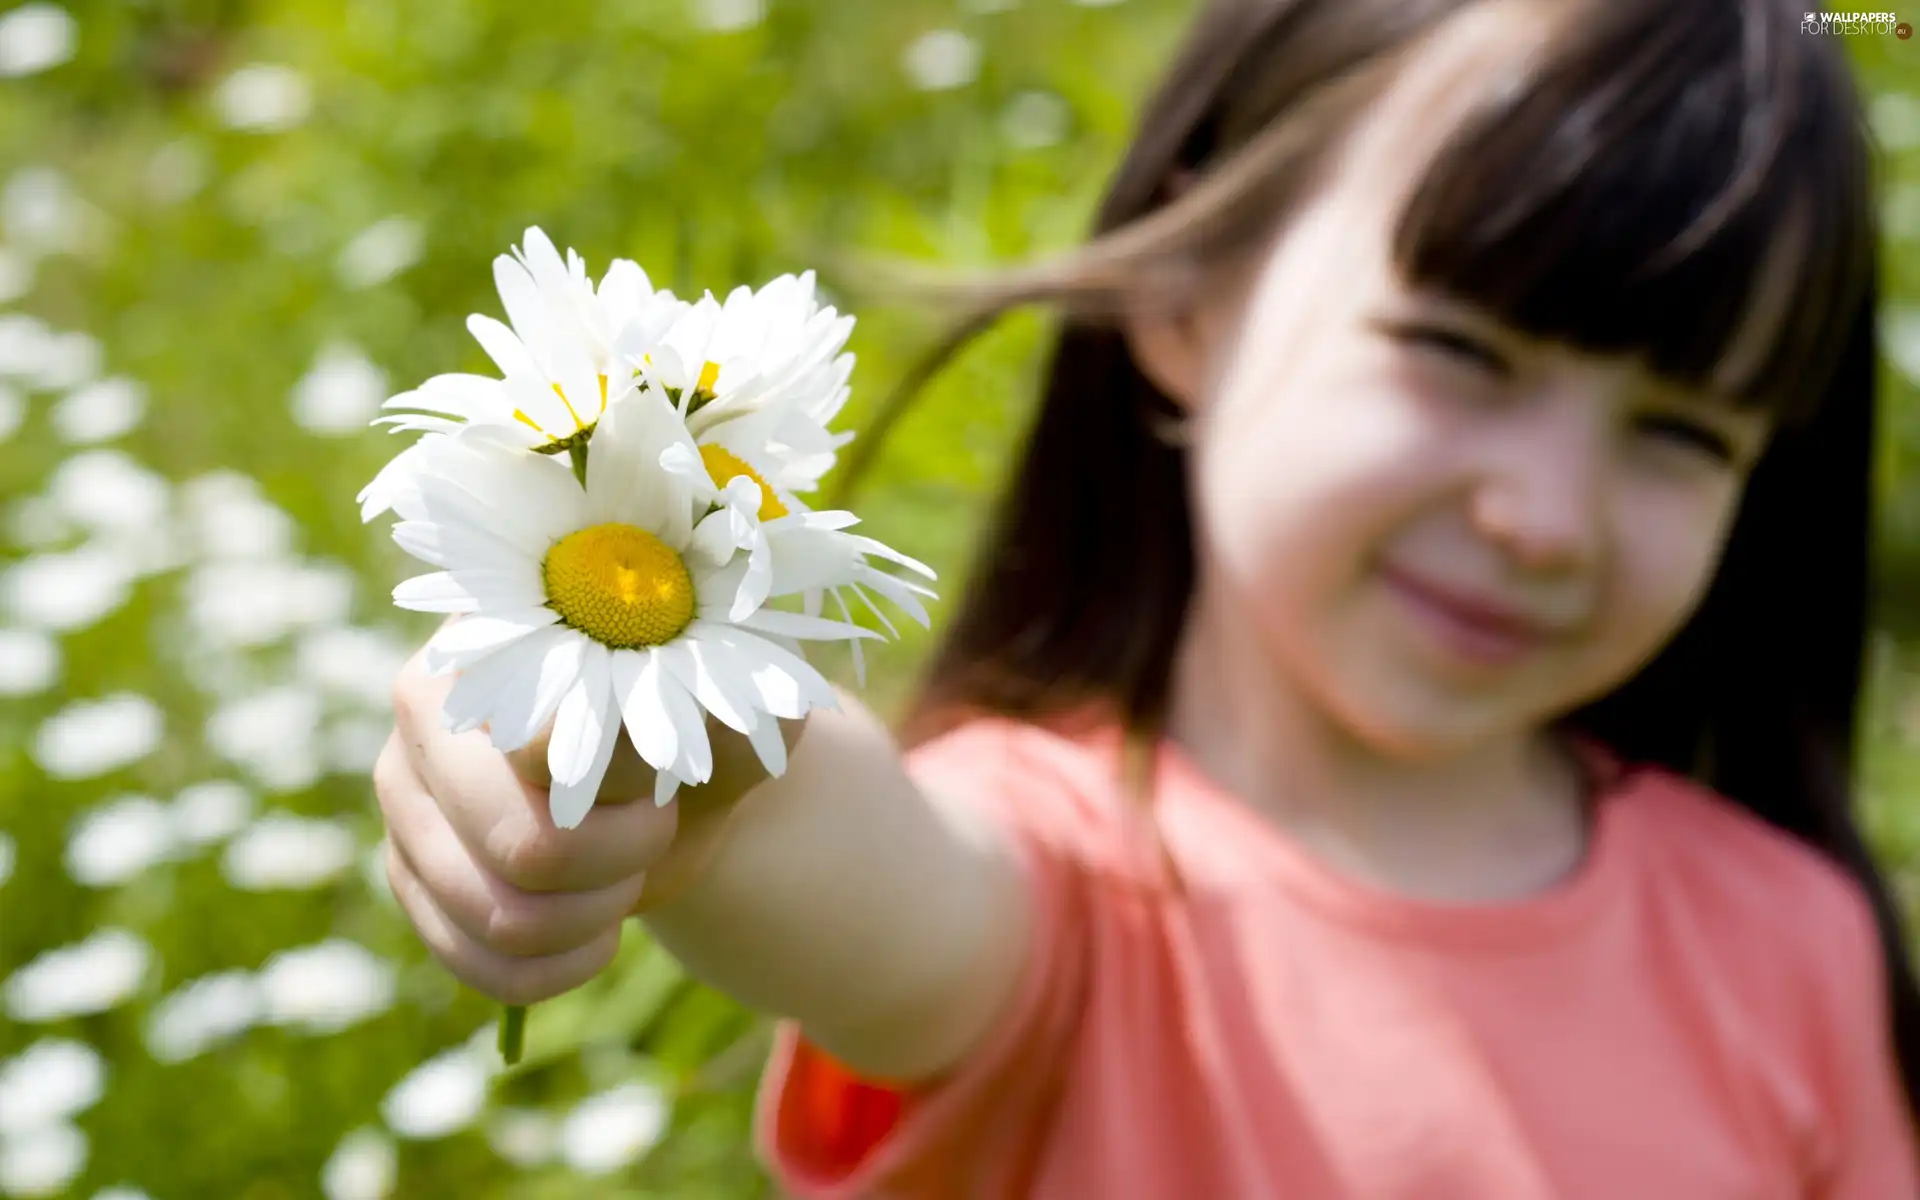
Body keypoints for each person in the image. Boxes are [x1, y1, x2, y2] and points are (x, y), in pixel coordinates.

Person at [372, 0, 1920, 1194]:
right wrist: (674, 758)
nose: (1544, 520)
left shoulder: (1795, 944)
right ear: (1188, 292)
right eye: (1460, 352)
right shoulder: (1060, 893)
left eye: (1680, 432)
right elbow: (850, 859)